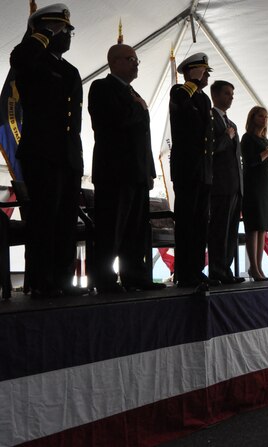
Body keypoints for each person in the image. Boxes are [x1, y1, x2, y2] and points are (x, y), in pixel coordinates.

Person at [10, 3, 88, 298]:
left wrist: (77, 157)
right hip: (41, 153)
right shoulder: (33, 60)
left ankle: (63, 279)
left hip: (67, 156)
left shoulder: (70, 70)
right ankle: (42, 281)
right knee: (45, 218)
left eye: (69, 30)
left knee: (66, 220)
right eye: (61, 28)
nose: (67, 34)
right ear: (44, 29)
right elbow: (19, 58)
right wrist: (40, 34)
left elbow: (75, 123)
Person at [88, 44, 165, 294]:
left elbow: (143, 138)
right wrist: (140, 109)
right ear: (115, 62)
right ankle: (105, 279)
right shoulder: (102, 88)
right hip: (114, 172)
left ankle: (135, 276)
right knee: (111, 229)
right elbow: (113, 120)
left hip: (137, 172)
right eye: (132, 59)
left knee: (136, 231)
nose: (136, 64)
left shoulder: (134, 93)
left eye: (137, 60)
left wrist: (149, 171)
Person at [169, 52, 219, 289]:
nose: (207, 76)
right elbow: (185, 116)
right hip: (187, 170)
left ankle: (197, 269)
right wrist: (191, 81)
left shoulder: (204, 99)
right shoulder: (180, 92)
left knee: (200, 224)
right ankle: (184, 272)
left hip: (203, 171)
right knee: (187, 222)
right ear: (193, 70)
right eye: (204, 71)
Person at [208, 80, 245, 284]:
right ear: (215, 95)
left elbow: (237, 160)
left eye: (232, 94)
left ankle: (226, 270)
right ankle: (216, 270)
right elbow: (210, 150)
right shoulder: (210, 118)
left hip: (234, 185)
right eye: (226, 93)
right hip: (219, 185)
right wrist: (225, 136)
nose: (230, 97)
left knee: (231, 231)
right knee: (219, 230)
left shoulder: (232, 124)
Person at [241, 106, 268, 281]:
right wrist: (265, 153)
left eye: (266, 117)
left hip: (265, 186)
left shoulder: (265, 139)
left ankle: (259, 268)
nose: (264, 119)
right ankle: (252, 268)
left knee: (262, 228)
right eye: (260, 116)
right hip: (253, 186)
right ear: (252, 118)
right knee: (253, 227)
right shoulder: (247, 139)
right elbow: (249, 162)